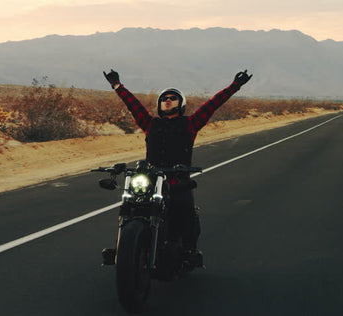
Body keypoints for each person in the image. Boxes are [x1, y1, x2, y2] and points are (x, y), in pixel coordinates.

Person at [103, 69, 252, 263]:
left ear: (180, 104)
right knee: (131, 206)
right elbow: (133, 105)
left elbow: (213, 104)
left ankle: (189, 252)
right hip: (151, 180)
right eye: (164, 98)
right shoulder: (150, 124)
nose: (167, 100)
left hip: (177, 180)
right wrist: (117, 85)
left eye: (173, 98)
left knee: (185, 210)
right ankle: (124, 249)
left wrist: (235, 86)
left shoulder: (190, 124)